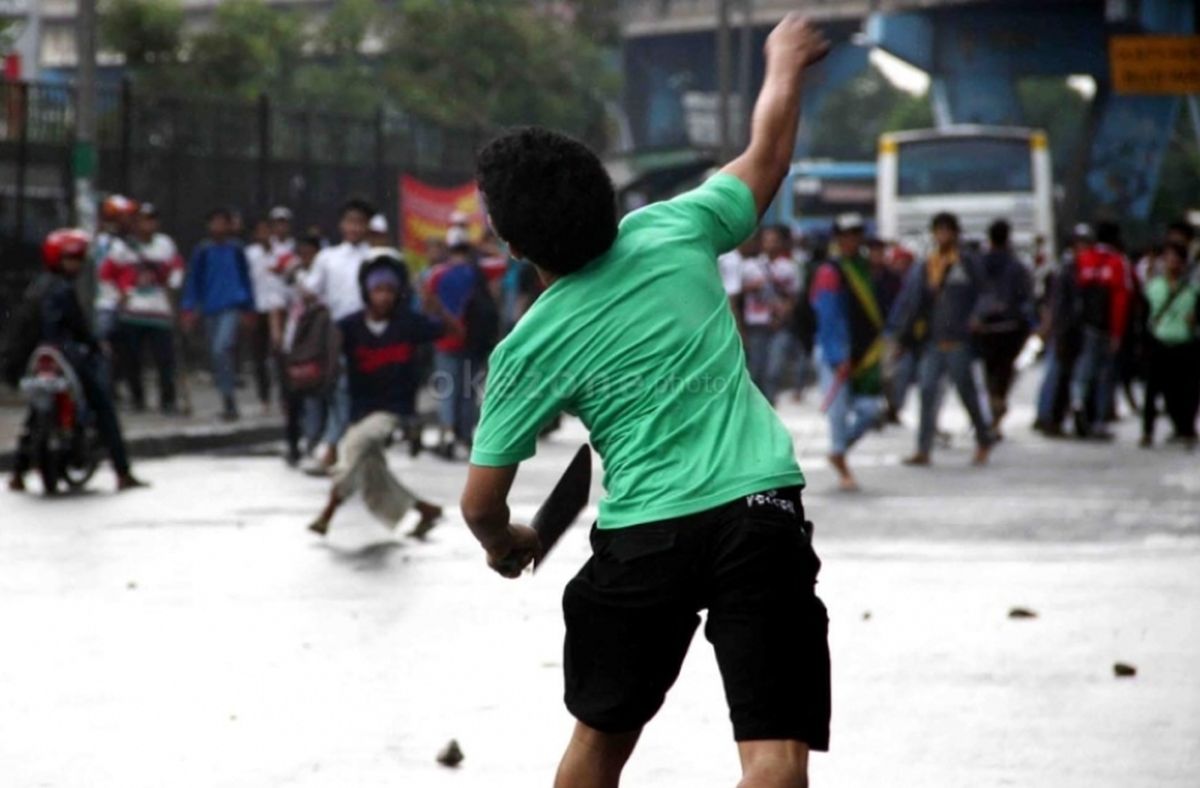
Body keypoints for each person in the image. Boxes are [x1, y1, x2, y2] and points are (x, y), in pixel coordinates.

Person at [459, 15, 831, 788]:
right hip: (760, 510)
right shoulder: (673, 228)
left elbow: (480, 502)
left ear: (515, 246)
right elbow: (769, 155)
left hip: (644, 538)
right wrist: (783, 64)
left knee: (598, 745)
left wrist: (508, 542)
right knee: (775, 756)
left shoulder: (528, 347)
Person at [307, 250, 452, 537]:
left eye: (389, 290)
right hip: (361, 408)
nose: (383, 296)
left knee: (354, 446)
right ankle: (424, 509)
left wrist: (435, 306)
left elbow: (452, 331)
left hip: (394, 410)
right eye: (377, 290)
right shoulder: (349, 326)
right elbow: (324, 351)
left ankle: (327, 511)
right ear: (366, 291)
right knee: (371, 470)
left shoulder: (408, 323)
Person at [6, 229, 147, 493]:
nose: (77, 265)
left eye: (78, 259)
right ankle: (123, 472)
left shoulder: (37, 286)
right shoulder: (62, 289)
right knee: (103, 404)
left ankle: (18, 474)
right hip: (65, 355)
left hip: (40, 357)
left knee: (36, 412)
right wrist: (95, 345)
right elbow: (78, 327)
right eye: (71, 258)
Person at [892, 212, 994, 466]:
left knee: (966, 392)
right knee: (927, 391)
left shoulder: (967, 262)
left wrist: (977, 316)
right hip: (933, 339)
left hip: (959, 339)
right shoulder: (928, 265)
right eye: (939, 231)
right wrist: (904, 339)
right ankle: (923, 448)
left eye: (947, 231)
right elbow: (915, 303)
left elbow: (984, 294)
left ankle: (983, 438)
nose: (943, 236)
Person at [809, 212, 885, 491]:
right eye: (846, 236)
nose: (851, 240)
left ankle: (839, 450)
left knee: (869, 410)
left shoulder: (864, 269)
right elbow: (827, 316)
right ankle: (842, 464)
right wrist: (837, 356)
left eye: (856, 235)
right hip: (836, 354)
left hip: (864, 354)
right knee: (838, 414)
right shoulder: (830, 271)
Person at [302, 198, 375, 469]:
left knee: (364, 394)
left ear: (367, 226)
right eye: (350, 222)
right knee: (340, 391)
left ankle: (350, 450)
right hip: (336, 336)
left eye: (360, 222)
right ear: (342, 225)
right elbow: (311, 291)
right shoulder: (327, 258)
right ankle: (330, 446)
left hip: (371, 336)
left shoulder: (376, 258)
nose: (354, 228)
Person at [98, 202, 184, 414]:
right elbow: (106, 275)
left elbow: (177, 268)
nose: (148, 224)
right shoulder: (123, 248)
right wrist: (120, 296)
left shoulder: (165, 245)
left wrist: (172, 286)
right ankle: (138, 398)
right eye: (144, 219)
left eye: (152, 219)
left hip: (159, 311)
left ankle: (168, 400)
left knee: (165, 360)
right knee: (132, 360)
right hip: (132, 313)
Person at [181, 208, 257, 421]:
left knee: (221, 348)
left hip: (232, 306)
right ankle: (227, 397)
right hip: (210, 308)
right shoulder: (203, 251)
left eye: (223, 222)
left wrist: (249, 307)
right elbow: (193, 281)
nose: (219, 227)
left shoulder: (236, 250)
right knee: (216, 354)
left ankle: (230, 395)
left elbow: (246, 279)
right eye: (215, 223)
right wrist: (189, 308)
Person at [426, 226, 485, 458]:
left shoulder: (438, 273)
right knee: (468, 390)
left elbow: (427, 302)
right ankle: (465, 436)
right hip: (472, 341)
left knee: (447, 389)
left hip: (445, 340)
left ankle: (448, 435)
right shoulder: (476, 273)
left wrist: (445, 319)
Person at [1068, 220, 1131, 440]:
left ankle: (1077, 403)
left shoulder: (1084, 260)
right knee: (1105, 374)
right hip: (1106, 327)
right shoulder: (1117, 262)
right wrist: (1117, 333)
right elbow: (1121, 300)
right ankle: (1100, 421)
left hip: (1085, 326)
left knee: (1083, 370)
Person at [972, 219, 1035, 435]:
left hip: (985, 328)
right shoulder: (1017, 266)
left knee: (989, 373)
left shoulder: (979, 263)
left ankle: (993, 409)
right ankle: (997, 409)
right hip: (1011, 327)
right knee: (1004, 372)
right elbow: (1026, 297)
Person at [1140, 242, 1199, 448]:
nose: (1172, 263)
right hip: (1159, 343)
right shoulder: (1154, 287)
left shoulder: (1192, 290)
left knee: (1185, 391)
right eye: (1169, 258)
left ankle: (1185, 428)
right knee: (1152, 390)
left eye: (1177, 259)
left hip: (1185, 344)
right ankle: (1147, 431)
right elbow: (1143, 315)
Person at [1034, 225, 1090, 436]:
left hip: (1073, 331)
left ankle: (1054, 417)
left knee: (1063, 376)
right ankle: (1048, 417)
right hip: (1063, 331)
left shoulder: (1079, 268)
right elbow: (1056, 304)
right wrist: (1050, 328)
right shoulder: (1066, 269)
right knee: (1056, 375)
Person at [245, 217, 289, 414]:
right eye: (259, 231)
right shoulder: (249, 254)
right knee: (259, 355)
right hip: (258, 308)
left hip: (279, 309)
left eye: (267, 230)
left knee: (281, 355)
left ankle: (285, 397)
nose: (264, 234)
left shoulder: (283, 253)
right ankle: (264, 398)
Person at [760, 225, 805, 404]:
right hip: (756, 326)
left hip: (781, 326)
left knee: (773, 370)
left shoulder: (791, 267)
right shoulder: (752, 265)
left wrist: (782, 316)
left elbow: (796, 297)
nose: (770, 244)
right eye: (767, 240)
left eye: (774, 240)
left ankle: (769, 405)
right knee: (757, 370)